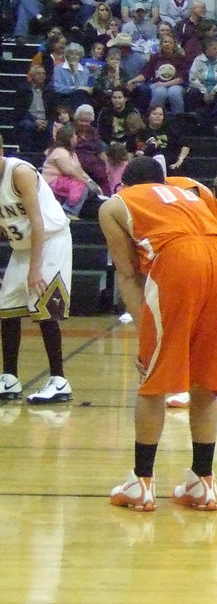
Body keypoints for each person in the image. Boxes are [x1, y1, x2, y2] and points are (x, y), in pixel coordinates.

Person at [100, 157, 217, 511]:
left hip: (180, 260)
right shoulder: (192, 188)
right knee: (206, 378)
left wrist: (146, 332)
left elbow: (128, 274)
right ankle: (203, 481)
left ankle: (142, 482)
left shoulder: (116, 203)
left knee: (154, 376)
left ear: (125, 185)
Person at [0, 151, 74, 405]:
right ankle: (9, 377)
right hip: (23, 246)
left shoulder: (19, 172)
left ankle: (59, 380)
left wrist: (35, 268)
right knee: (6, 307)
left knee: (42, 305)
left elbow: (37, 221)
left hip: (51, 239)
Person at [41, 124, 101, 218]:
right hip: (52, 182)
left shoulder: (72, 154)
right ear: (69, 138)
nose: (77, 137)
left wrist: (92, 183)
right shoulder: (59, 151)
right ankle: (69, 211)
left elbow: (80, 171)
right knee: (81, 186)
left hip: (65, 182)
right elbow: (69, 171)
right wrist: (87, 184)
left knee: (88, 188)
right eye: (75, 135)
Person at [12, 64, 57, 153]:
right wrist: (35, 120)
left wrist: (47, 121)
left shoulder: (49, 91)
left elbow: (53, 111)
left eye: (43, 73)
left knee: (53, 127)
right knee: (27, 125)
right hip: (28, 119)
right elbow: (20, 111)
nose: (42, 76)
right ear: (32, 76)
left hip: (45, 120)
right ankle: (27, 154)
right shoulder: (23, 90)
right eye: (38, 73)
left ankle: (48, 156)